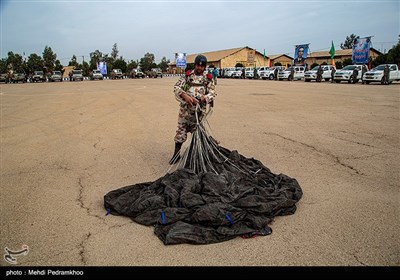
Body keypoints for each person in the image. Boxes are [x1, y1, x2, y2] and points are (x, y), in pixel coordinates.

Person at [169, 54, 216, 164]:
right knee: (180, 133)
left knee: (198, 135)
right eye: (197, 66)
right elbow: (176, 87)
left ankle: (197, 155)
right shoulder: (187, 76)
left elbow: (212, 92)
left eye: (202, 66)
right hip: (185, 112)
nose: (199, 68)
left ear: (204, 67)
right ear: (194, 65)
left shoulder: (207, 78)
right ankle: (176, 155)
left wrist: (205, 98)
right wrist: (185, 96)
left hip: (198, 113)